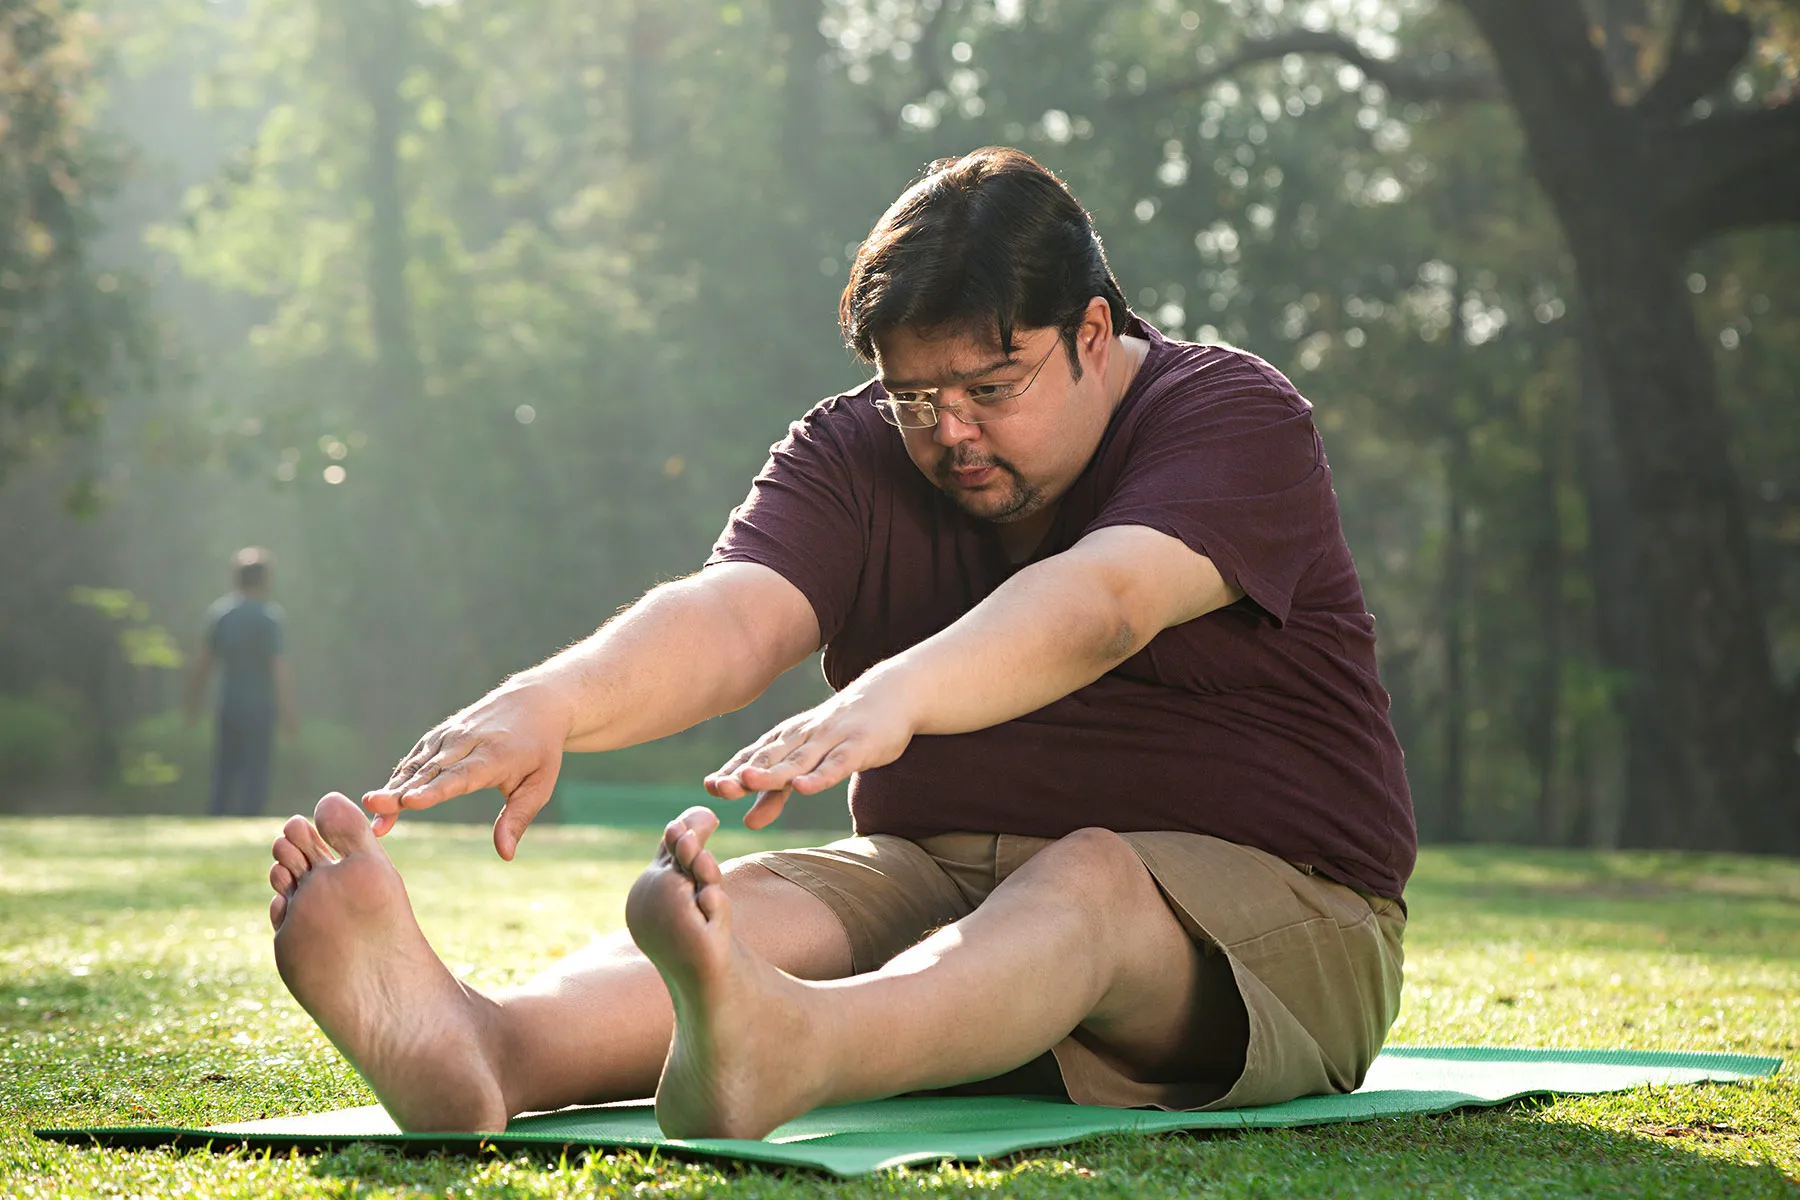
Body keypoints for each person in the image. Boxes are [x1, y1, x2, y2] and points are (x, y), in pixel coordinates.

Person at [265, 147, 1415, 1138]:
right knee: (752, 911)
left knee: (1091, 879)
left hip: (1275, 923)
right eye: (914, 397)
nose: (948, 430)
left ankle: (797, 1045)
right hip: (947, 883)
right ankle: (488, 1048)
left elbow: (1104, 601)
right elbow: (731, 614)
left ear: (1093, 332)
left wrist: (899, 696)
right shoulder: (856, 448)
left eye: (988, 385)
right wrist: (550, 703)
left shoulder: (1231, 414)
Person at [185, 547, 297, 816]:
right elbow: (278, 667)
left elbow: (204, 662)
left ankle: (217, 816)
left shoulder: (221, 615)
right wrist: (288, 710)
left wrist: (193, 702)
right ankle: (250, 816)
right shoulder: (268, 618)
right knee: (256, 769)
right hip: (260, 706)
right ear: (265, 579)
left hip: (228, 704)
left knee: (225, 767)